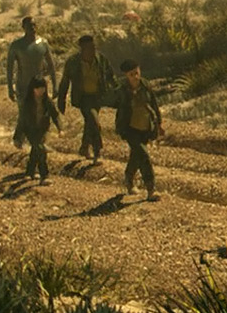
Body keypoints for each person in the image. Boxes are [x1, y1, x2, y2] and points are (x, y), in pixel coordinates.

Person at [113, 59, 163, 200]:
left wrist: (159, 124)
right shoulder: (122, 90)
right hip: (130, 129)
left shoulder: (146, 85)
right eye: (131, 74)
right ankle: (151, 189)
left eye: (137, 72)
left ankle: (128, 178)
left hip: (145, 127)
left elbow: (154, 105)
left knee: (136, 156)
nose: (135, 76)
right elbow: (116, 105)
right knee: (144, 155)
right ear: (126, 76)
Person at [56, 34, 112, 160]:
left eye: (93, 47)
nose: (92, 51)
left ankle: (84, 147)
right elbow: (65, 81)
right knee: (94, 122)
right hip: (83, 98)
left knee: (89, 122)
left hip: (97, 96)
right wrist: (61, 100)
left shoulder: (101, 59)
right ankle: (97, 151)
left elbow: (110, 76)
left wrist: (117, 92)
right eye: (89, 48)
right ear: (82, 49)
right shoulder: (73, 62)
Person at [5, 17, 57, 148]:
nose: (32, 28)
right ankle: (19, 138)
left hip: (39, 85)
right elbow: (10, 67)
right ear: (23, 28)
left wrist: (55, 85)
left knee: (41, 113)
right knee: (24, 113)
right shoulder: (17, 46)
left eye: (34, 25)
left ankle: (39, 142)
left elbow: (51, 65)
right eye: (29, 26)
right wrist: (10, 87)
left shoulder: (43, 43)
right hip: (23, 85)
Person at [16, 76, 61, 181]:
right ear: (33, 89)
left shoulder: (47, 102)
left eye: (42, 88)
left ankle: (29, 172)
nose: (40, 91)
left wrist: (60, 129)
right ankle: (44, 175)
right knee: (40, 149)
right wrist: (17, 137)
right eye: (38, 89)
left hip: (42, 130)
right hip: (30, 130)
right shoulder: (27, 103)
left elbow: (55, 115)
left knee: (36, 150)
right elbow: (21, 121)